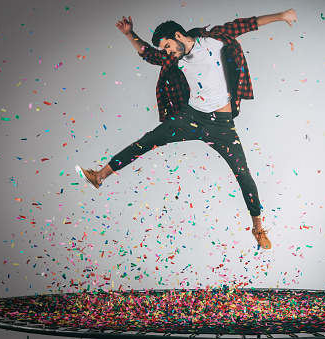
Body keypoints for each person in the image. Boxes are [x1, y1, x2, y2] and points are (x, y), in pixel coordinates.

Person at [76, 9, 298, 251]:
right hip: (191, 118)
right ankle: (99, 176)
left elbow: (246, 24)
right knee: (148, 141)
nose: (168, 52)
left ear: (179, 35)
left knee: (243, 175)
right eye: (166, 49)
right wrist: (130, 34)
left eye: (169, 46)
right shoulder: (174, 58)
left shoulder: (213, 39)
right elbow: (148, 55)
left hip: (221, 126)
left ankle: (257, 228)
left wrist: (282, 16)